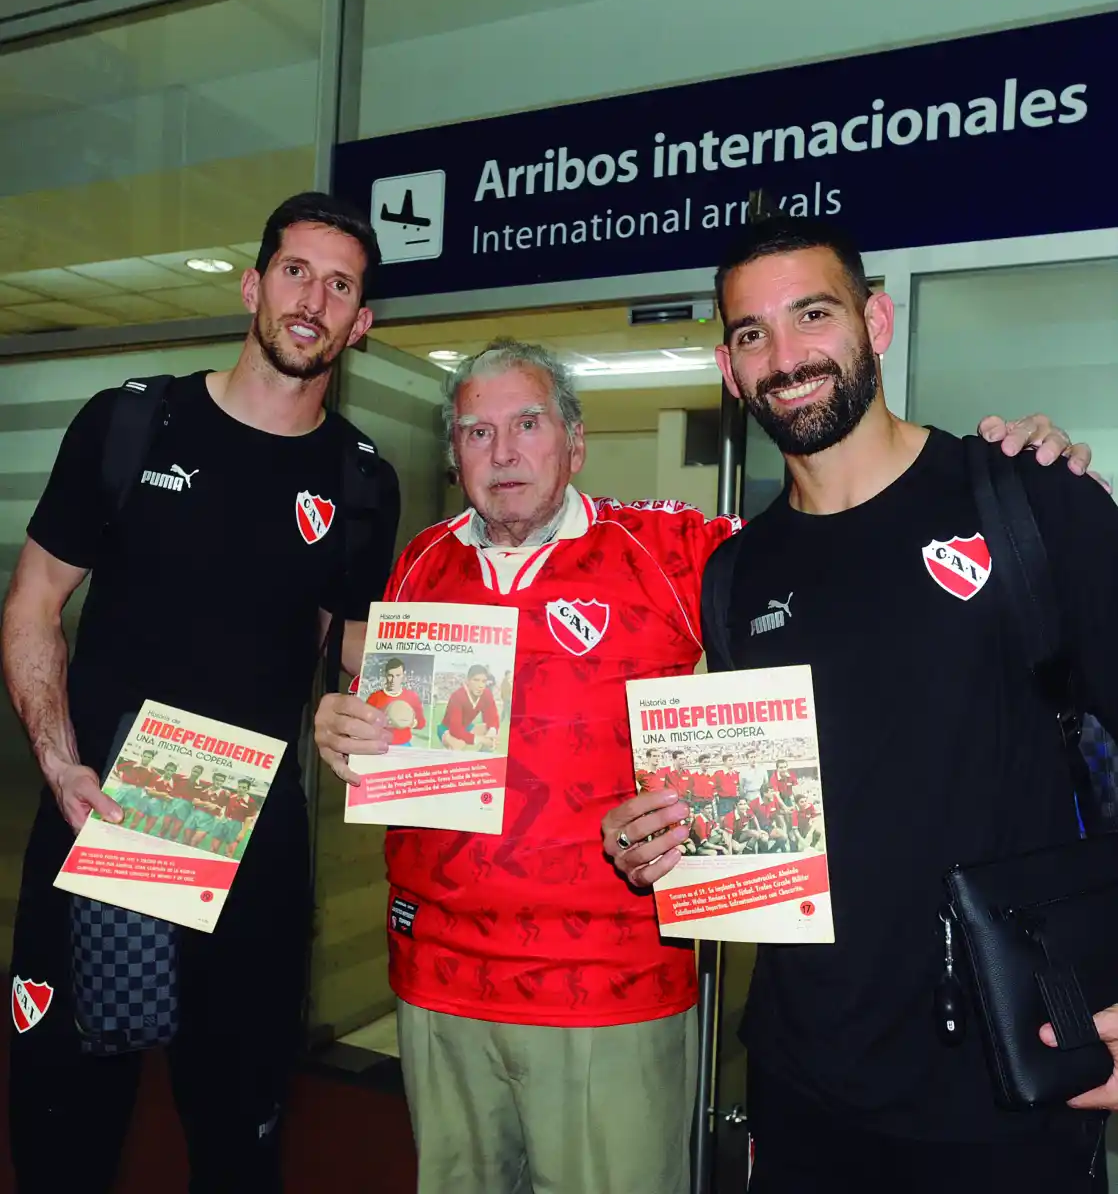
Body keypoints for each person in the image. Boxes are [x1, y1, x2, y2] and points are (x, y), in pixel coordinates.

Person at [313, 330, 1090, 1194]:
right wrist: (346, 726)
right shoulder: (422, 564)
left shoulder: (676, 549)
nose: (503, 453)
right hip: (436, 979)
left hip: (607, 990)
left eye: (527, 424)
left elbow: (835, 548)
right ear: (453, 453)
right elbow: (394, 716)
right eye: (475, 431)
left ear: (574, 441)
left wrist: (1006, 480)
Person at [604, 216, 1118, 1194]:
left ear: (873, 321)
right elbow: (764, 815)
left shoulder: (1025, 499)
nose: (784, 356)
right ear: (726, 365)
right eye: (751, 332)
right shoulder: (735, 573)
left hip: (1003, 1086)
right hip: (803, 1087)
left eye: (811, 315)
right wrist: (660, 843)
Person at [1, 190, 398, 1194]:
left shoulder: (360, 480)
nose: (313, 298)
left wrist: (454, 680)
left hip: (251, 853)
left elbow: (345, 647)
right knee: (63, 1137)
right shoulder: (132, 423)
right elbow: (34, 604)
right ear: (253, 284)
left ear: (361, 323)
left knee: (236, 1145)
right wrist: (57, 760)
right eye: (297, 271)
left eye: (340, 285)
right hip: (100, 822)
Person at [437, 663, 499, 750]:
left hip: (467, 726)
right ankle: (446, 753)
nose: (480, 685)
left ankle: (482, 759)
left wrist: (491, 734)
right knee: (458, 744)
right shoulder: (457, 696)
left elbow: (492, 718)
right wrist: (480, 739)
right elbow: (455, 730)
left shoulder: (486, 694)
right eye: (476, 680)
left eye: (483, 681)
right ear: (468, 681)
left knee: (493, 733)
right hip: (448, 728)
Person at [367, 655, 427, 746]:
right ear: (385, 675)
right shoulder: (375, 697)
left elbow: (422, 723)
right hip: (380, 744)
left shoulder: (412, 696)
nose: (394, 680)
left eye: (398, 675)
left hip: (404, 744)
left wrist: (412, 722)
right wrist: (382, 721)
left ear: (403, 675)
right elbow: (366, 721)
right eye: (390, 675)